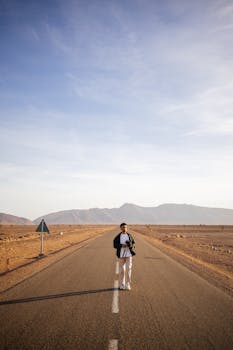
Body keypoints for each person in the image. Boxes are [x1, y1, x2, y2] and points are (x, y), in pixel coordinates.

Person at [113, 223, 136, 290]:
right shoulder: (118, 237)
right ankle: (121, 285)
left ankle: (128, 284)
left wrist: (130, 245)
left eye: (125, 227)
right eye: (123, 227)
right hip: (121, 255)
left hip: (129, 255)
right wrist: (121, 245)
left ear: (127, 228)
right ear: (120, 228)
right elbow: (114, 245)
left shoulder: (129, 236)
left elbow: (134, 243)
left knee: (129, 269)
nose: (124, 228)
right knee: (122, 270)